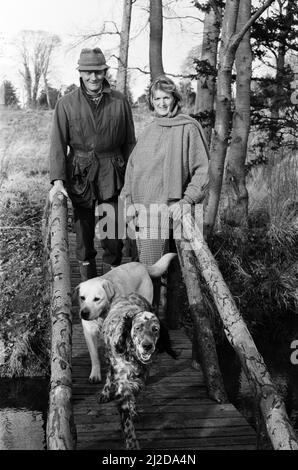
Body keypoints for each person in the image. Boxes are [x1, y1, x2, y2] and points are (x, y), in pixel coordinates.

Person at [120, 75, 209, 308]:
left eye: (165, 97)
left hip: (178, 212)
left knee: (181, 275)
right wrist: (128, 204)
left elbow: (203, 171)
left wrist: (187, 200)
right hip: (146, 212)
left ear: (174, 98)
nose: (161, 102)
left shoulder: (188, 127)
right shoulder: (150, 130)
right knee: (149, 275)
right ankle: (148, 329)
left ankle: (173, 327)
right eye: (156, 98)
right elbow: (132, 169)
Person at [49, 47, 136, 281]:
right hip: (80, 174)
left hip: (112, 171)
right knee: (84, 235)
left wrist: (132, 180)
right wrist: (58, 181)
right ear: (80, 73)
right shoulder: (66, 104)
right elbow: (57, 144)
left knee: (113, 235)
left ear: (105, 71)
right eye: (88, 72)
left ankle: (113, 285)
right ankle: (89, 287)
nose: (93, 77)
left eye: (98, 72)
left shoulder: (119, 101)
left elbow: (129, 142)